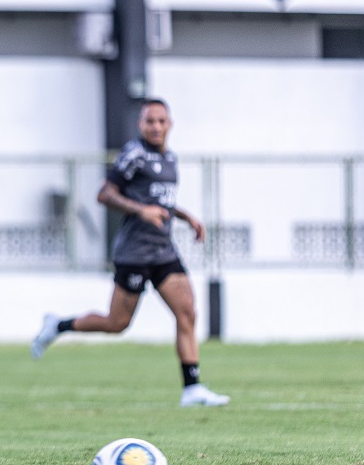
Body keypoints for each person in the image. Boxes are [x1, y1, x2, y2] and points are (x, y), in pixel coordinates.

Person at [31, 98, 230, 408]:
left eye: (161, 121)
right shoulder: (133, 155)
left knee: (187, 312)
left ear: (170, 124)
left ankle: (192, 388)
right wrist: (141, 211)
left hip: (163, 251)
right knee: (116, 324)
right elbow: (105, 194)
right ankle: (58, 325)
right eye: (150, 121)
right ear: (141, 124)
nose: (156, 126)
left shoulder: (170, 159)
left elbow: (159, 201)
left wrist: (186, 216)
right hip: (134, 254)